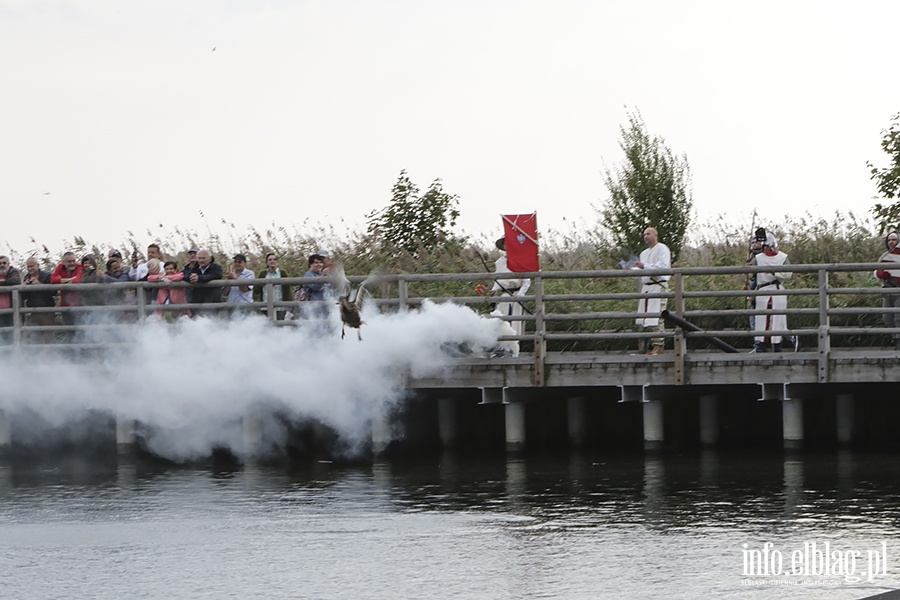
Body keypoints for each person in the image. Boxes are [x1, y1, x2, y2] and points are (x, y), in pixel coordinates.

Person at [749, 231, 792, 352]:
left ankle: (777, 344)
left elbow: (788, 274)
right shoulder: (758, 258)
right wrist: (749, 268)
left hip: (777, 289)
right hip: (763, 289)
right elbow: (750, 274)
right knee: (761, 318)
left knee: (778, 319)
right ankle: (760, 344)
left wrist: (775, 272)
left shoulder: (783, 257)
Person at [489, 237, 531, 355]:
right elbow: (498, 280)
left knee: (515, 322)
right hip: (503, 295)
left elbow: (526, 281)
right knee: (500, 320)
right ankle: (500, 348)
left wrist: (520, 295)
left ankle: (512, 349)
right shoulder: (499, 262)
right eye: (505, 244)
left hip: (516, 295)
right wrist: (493, 290)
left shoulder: (521, 260)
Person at [633, 227, 671, 355]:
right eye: (644, 234)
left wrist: (644, 266)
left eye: (648, 234)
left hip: (658, 285)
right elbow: (642, 271)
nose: (646, 236)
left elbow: (662, 266)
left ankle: (659, 346)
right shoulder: (644, 253)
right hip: (647, 287)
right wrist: (632, 269)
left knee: (658, 316)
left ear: (656, 234)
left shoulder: (662, 249)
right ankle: (655, 344)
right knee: (648, 318)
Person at [874, 231, 900, 350]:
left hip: (898, 289)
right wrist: (881, 274)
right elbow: (877, 271)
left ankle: (898, 343)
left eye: (894, 239)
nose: (891, 242)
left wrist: (890, 273)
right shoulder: (884, 256)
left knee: (898, 317)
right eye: (889, 240)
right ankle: (895, 339)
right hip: (887, 289)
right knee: (887, 318)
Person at [21, 257, 55, 342]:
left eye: (32, 266)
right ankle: (38, 354)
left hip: (47, 310)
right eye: (28, 266)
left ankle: (50, 354)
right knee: (36, 336)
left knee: (47, 336)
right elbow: (24, 297)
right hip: (33, 311)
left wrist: (39, 284)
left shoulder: (47, 275)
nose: (30, 268)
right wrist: (24, 287)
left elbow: (53, 292)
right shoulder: (26, 277)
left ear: (38, 265)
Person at [50, 251, 85, 330]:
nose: (72, 263)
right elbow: (52, 280)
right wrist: (68, 280)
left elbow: (77, 280)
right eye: (69, 261)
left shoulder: (79, 267)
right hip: (65, 305)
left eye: (73, 261)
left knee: (80, 330)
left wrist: (61, 280)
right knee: (69, 330)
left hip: (78, 305)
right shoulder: (60, 267)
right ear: (64, 262)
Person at [254, 252, 292, 319]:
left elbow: (287, 289)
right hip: (265, 306)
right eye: (270, 260)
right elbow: (256, 290)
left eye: (274, 259)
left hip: (280, 307)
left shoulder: (282, 273)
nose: (272, 261)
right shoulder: (263, 274)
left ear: (278, 262)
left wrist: (288, 304)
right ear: (267, 262)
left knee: (279, 327)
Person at [0, 256, 22, 338]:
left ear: (8, 264)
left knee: (12, 335)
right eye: (0, 263)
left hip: (12, 312)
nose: (2, 265)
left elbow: (16, 281)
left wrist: (3, 282)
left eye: (4, 263)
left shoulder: (13, 272)